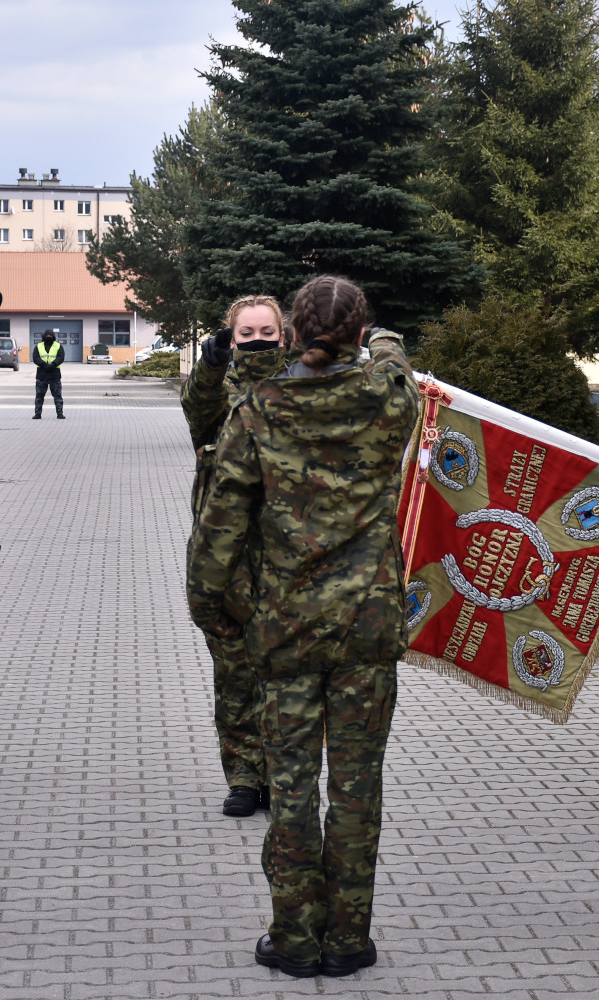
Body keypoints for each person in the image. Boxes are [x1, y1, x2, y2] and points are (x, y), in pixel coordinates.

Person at [187, 275, 416, 979]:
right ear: (359, 331)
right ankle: (348, 939)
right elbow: (393, 361)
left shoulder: (259, 408)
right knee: (357, 786)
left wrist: (213, 608)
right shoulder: (389, 396)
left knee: (290, 788)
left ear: (290, 333)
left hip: (284, 627)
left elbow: (221, 525)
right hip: (368, 624)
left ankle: (293, 936)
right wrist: (380, 337)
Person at [181, 294, 289, 818]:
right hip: (225, 553)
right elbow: (195, 410)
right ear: (231, 337)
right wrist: (211, 364)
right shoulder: (217, 388)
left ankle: (284, 773)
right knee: (234, 671)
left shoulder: (300, 387)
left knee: (284, 670)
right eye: (246, 334)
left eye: (267, 332)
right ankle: (244, 776)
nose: (258, 342)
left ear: (284, 335)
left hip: (289, 553)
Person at [32, 330, 65, 419]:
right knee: (39, 396)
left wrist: (53, 364)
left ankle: (60, 413)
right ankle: (37, 414)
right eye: (47, 335)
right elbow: (35, 357)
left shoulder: (58, 346)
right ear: (44, 336)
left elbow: (61, 357)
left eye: (50, 335)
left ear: (53, 337)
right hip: (42, 375)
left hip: (54, 374)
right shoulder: (39, 346)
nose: (49, 337)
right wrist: (43, 364)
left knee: (57, 396)